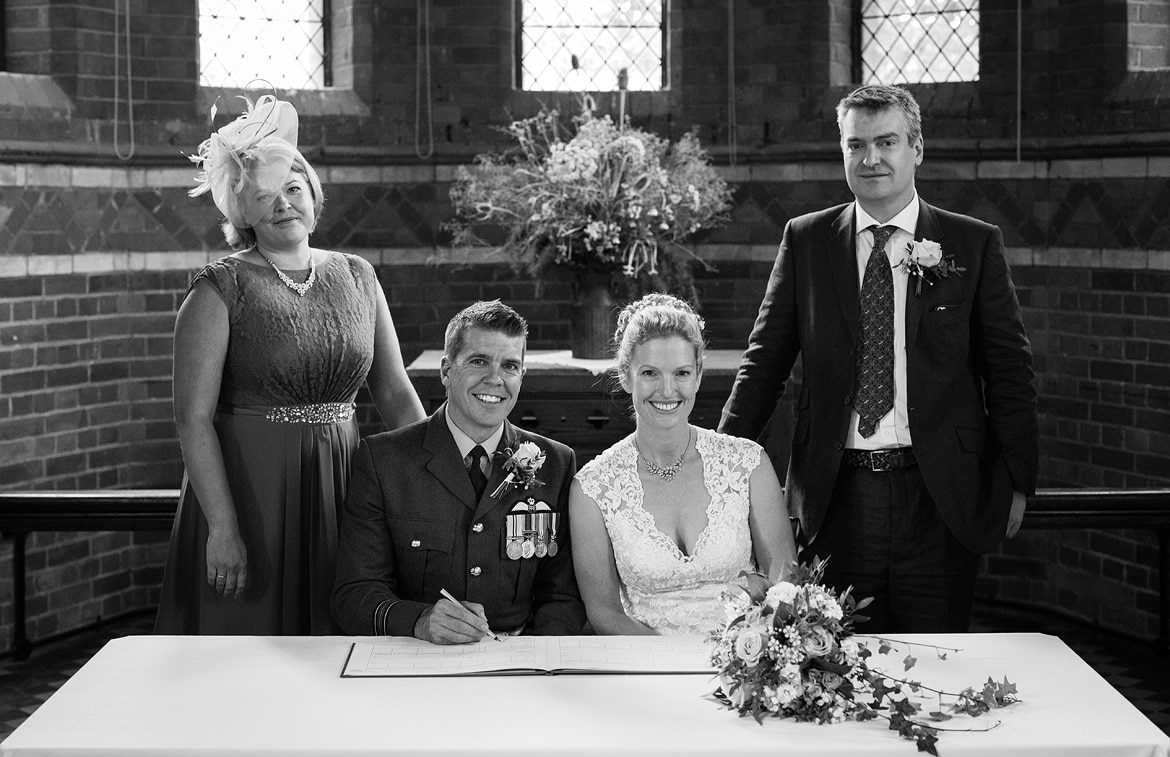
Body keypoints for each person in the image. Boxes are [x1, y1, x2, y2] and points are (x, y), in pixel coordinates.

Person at [719, 85, 1039, 633]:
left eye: (886, 142)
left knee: (936, 669)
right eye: (855, 145)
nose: (871, 159)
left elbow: (1009, 372)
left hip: (940, 497)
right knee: (836, 669)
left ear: (917, 149)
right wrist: (719, 465)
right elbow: (764, 365)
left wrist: (1017, 480)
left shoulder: (972, 243)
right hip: (834, 497)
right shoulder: (807, 240)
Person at [155, 94, 426, 635]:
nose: (283, 205)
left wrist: (433, 473)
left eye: (293, 189)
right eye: (263, 196)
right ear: (242, 212)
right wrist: (224, 527)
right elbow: (192, 418)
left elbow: (394, 393)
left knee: (338, 633)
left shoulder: (357, 275)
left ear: (313, 193)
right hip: (251, 489)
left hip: (344, 483)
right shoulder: (219, 288)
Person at [331, 300, 586, 642]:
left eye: (509, 366)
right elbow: (354, 595)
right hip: (418, 657)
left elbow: (563, 597)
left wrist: (534, 657)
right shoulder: (383, 461)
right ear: (446, 371)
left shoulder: (555, 463)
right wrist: (419, 620)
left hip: (521, 660)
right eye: (479, 361)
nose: (495, 379)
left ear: (521, 377)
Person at [570, 294, 797, 635]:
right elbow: (605, 614)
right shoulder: (592, 488)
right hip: (645, 670)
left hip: (745, 669)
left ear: (698, 376)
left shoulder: (748, 464)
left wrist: (746, 661)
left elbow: (785, 584)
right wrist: (673, 667)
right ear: (625, 375)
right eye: (649, 373)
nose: (667, 390)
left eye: (681, 373)